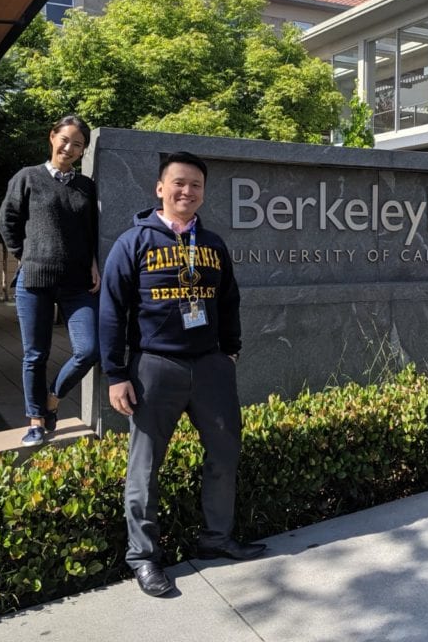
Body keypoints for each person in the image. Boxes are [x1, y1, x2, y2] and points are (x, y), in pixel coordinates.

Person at [99, 150, 266, 598]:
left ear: (203, 192)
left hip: (210, 364)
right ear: (160, 188)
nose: (186, 191)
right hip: (156, 366)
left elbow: (228, 300)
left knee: (225, 453)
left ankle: (216, 538)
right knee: (146, 466)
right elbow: (112, 311)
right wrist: (116, 374)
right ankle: (143, 557)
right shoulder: (133, 243)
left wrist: (229, 351)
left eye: (195, 185)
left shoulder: (211, 244)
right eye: (178, 183)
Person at [0, 115, 100, 448]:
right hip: (35, 281)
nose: (69, 148)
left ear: (84, 150)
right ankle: (37, 421)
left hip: (77, 282)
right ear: (52, 137)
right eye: (65, 139)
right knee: (35, 355)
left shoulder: (85, 186)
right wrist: (24, 255)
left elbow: (92, 232)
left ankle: (53, 398)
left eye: (78, 144)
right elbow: (7, 221)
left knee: (89, 349)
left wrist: (95, 264)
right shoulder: (28, 177)